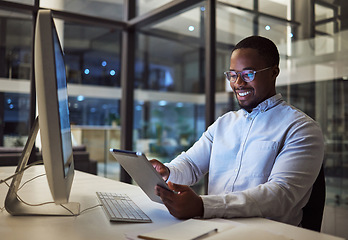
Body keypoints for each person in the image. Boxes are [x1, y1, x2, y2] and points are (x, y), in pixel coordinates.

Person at [150, 35, 324, 227]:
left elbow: (279, 195)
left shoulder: (301, 128)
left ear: (274, 72)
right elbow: (191, 164)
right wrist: (167, 171)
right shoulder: (224, 123)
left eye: (248, 74)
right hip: (212, 227)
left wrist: (203, 206)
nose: (238, 83)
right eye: (233, 75)